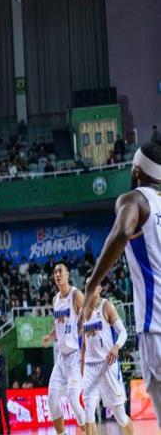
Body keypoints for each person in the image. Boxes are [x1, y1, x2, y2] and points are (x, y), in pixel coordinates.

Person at [84, 142, 161, 427]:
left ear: (137, 170)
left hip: (156, 325)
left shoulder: (134, 200)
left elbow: (121, 232)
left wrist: (92, 284)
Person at [81, 274, 134, 435]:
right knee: (88, 412)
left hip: (108, 364)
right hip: (90, 367)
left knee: (121, 417)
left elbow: (123, 332)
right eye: (87, 285)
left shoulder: (106, 306)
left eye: (93, 284)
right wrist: (82, 364)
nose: (89, 287)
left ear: (99, 288)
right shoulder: (82, 311)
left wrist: (116, 347)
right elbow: (84, 343)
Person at [42, 262, 86, 434]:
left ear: (68, 274)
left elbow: (88, 321)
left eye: (60, 271)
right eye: (55, 272)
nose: (57, 275)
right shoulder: (55, 299)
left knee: (73, 398)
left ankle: (88, 430)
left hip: (76, 356)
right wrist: (50, 336)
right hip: (61, 358)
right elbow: (58, 328)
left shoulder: (76, 295)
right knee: (51, 399)